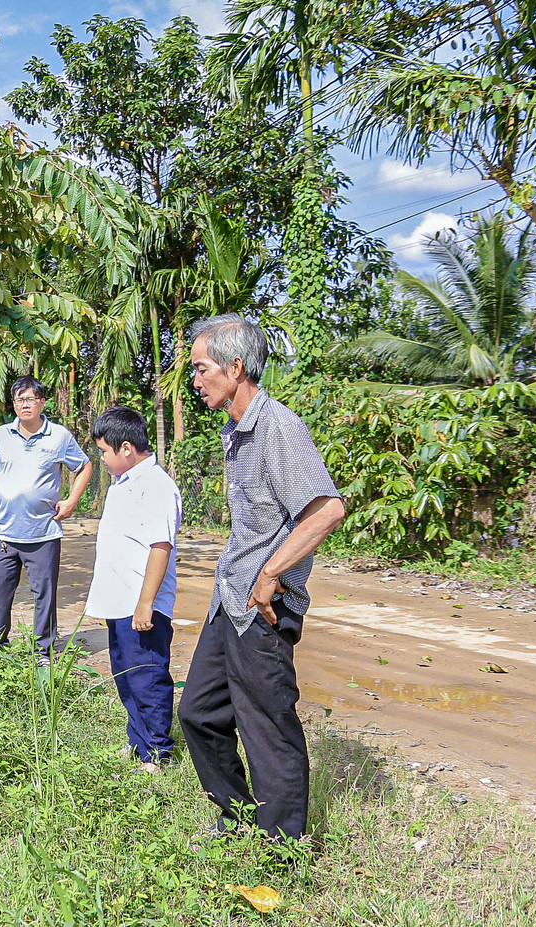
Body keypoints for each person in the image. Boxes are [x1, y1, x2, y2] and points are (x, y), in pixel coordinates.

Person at [176, 314, 346, 845]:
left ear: (236, 366)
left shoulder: (278, 428)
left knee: (267, 726)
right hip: (232, 599)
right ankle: (238, 818)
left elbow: (327, 510)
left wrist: (272, 574)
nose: (195, 379)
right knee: (199, 712)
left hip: (264, 604)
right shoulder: (236, 431)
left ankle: (283, 848)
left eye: (201, 369)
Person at [83, 406, 181, 773]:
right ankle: (137, 740)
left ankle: (157, 752)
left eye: (105, 452)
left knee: (148, 677)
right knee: (126, 673)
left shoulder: (157, 486)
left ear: (126, 448)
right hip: (119, 601)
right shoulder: (124, 484)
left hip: (141, 604)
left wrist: (146, 604)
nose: (103, 459)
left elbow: (160, 546)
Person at [0, 376, 93, 665]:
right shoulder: (1, 435)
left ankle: (44, 652)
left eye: (29, 399)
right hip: (3, 532)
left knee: (45, 596)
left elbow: (85, 466)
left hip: (43, 533)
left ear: (42, 402)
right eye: (18, 399)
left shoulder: (59, 436)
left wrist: (71, 501)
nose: (24, 404)